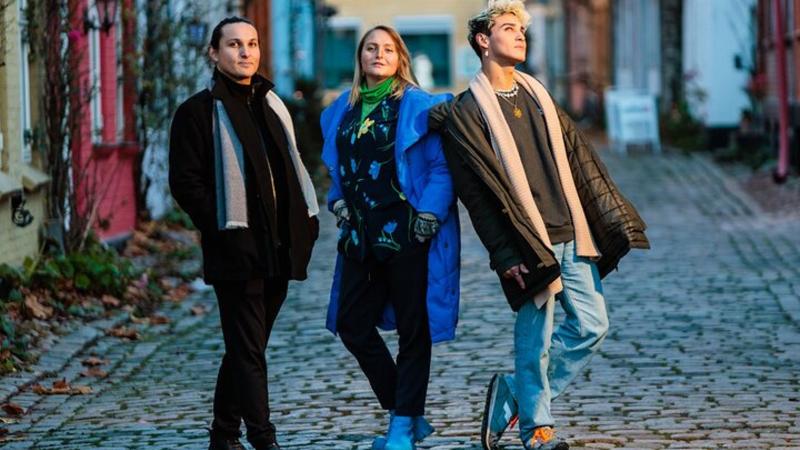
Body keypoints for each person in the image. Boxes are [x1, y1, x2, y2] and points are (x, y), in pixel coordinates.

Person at [429, 1, 650, 449]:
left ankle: (513, 395)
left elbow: (578, 160)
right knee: (536, 340)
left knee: (592, 326)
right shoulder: (466, 114)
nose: (520, 35)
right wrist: (503, 253)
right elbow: (476, 197)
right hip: (527, 240)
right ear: (483, 40)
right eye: (509, 28)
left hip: (572, 230)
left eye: (522, 29)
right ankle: (536, 429)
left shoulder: (539, 95)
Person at [168, 17, 319, 450]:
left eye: (251, 44)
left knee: (246, 347)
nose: (245, 52)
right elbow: (185, 183)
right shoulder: (197, 112)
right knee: (249, 350)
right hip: (235, 251)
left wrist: (306, 224)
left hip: (279, 250)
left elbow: (291, 169)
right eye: (234, 44)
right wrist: (221, 226)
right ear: (214, 53)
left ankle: (223, 434)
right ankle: (262, 437)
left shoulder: (272, 104)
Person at [321, 25, 460, 450]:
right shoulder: (341, 110)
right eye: (370, 48)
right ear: (360, 57)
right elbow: (341, 169)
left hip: (407, 232)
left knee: (413, 331)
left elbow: (441, 167)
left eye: (387, 49)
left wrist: (430, 214)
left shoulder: (417, 107)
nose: (378, 54)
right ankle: (406, 409)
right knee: (351, 324)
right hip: (360, 235)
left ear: (400, 58)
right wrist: (336, 201)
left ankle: (401, 430)